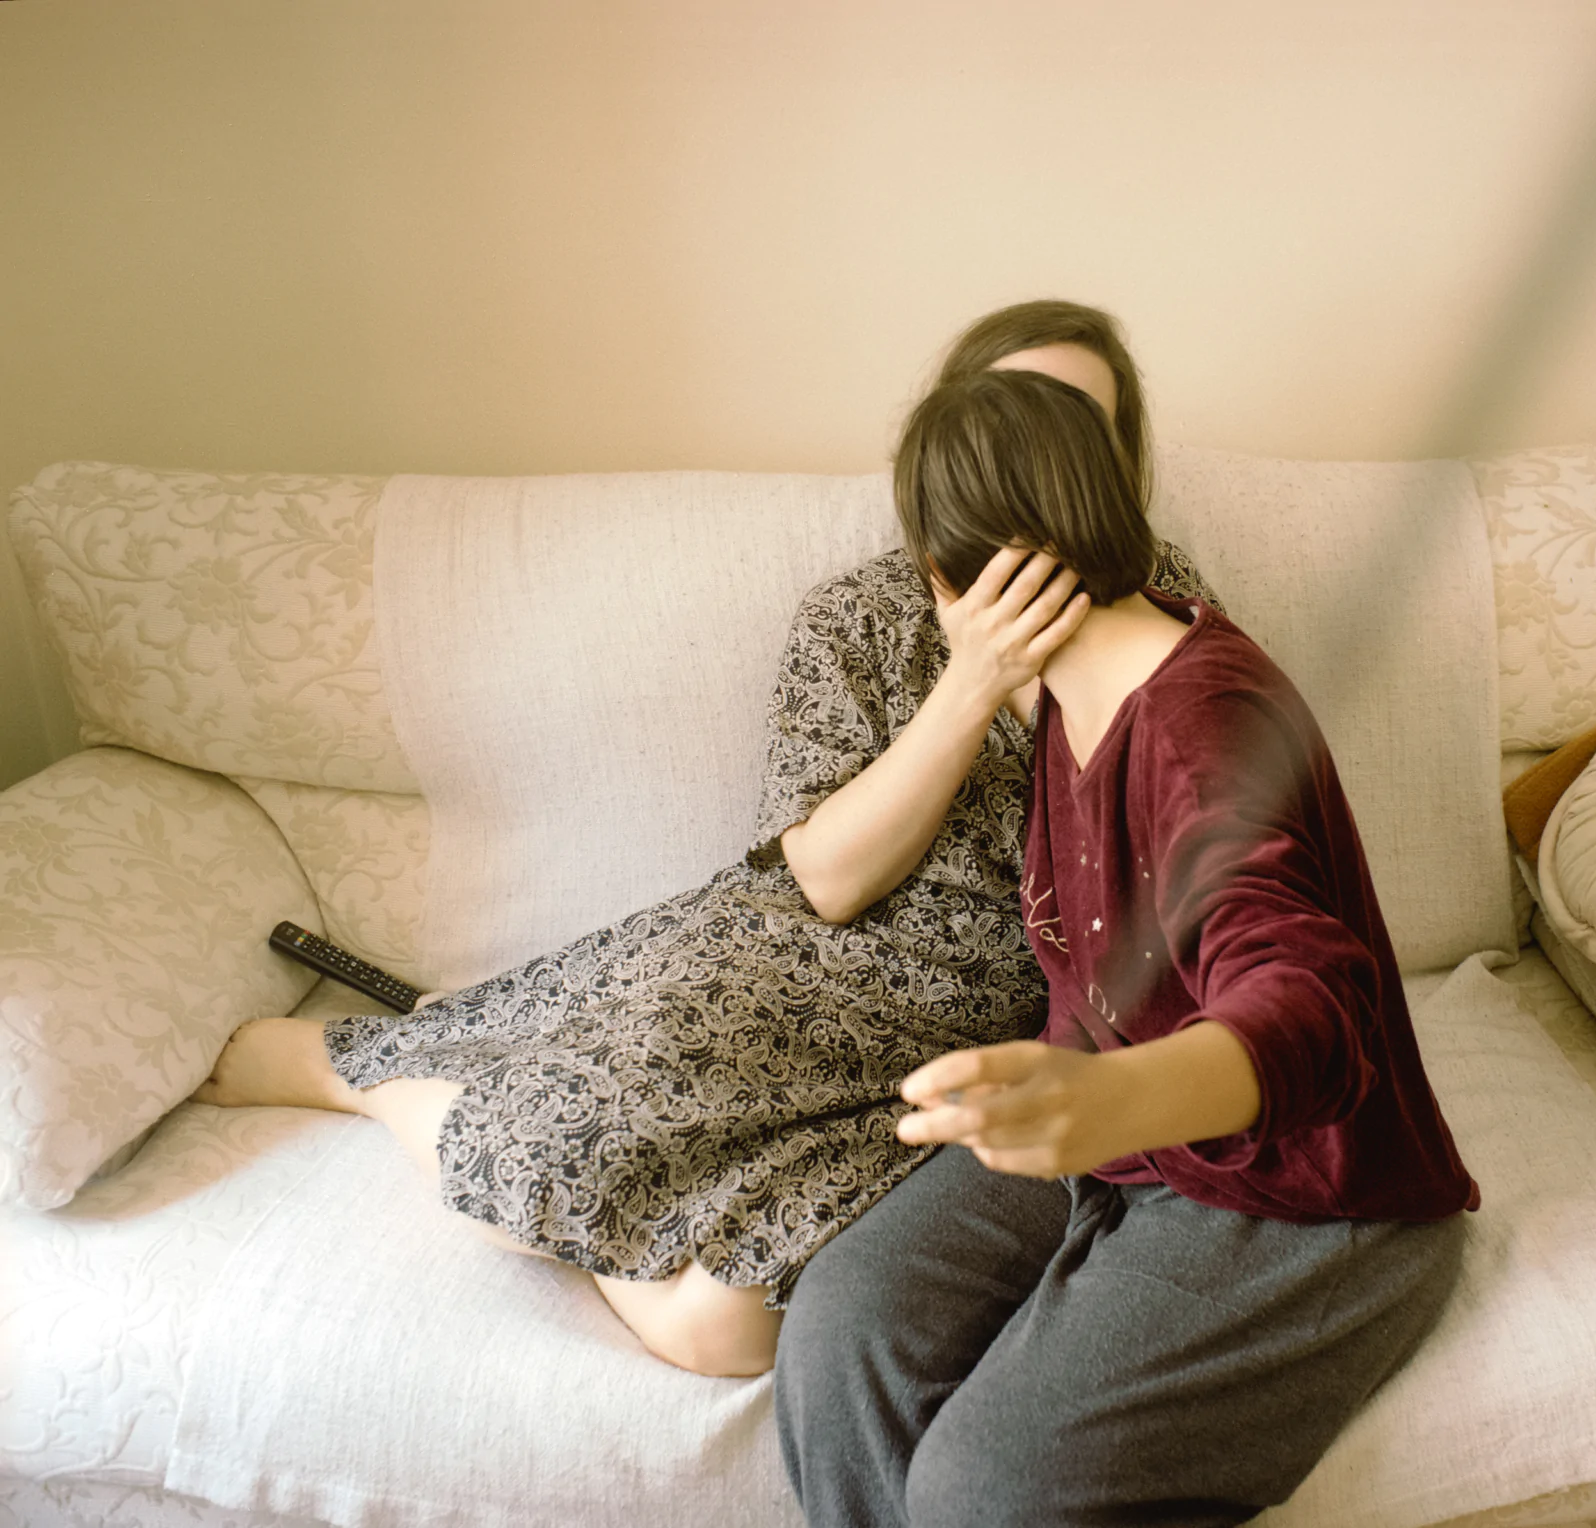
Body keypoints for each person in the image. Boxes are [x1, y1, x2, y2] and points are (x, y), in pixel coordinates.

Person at [191, 299, 1222, 1379]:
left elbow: (1201, 851)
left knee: (726, 1334)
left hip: (983, 1045)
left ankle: (493, 1046)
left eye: (1074, 428)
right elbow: (824, 879)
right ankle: (363, 1071)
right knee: (526, 1165)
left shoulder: (1171, 606)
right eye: (1008, 418)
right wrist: (973, 684)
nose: (1036, 458)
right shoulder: (862, 617)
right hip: (802, 974)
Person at [772, 368, 1477, 1526]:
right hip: (1127, 1154)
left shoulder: (1204, 720)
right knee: (845, 1323)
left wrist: (1121, 1099)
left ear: (949, 576)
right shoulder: (1067, 698)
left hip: (1312, 1199)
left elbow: (1310, 997)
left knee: (982, 1487)